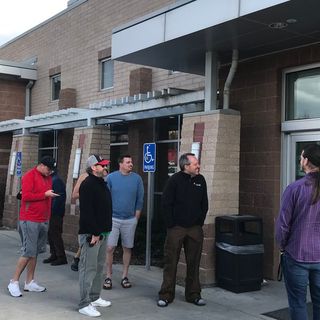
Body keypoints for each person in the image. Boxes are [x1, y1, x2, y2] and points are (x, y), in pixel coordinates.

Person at [157, 153, 208, 307]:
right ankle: (166, 295)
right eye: (195, 164)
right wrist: (171, 224)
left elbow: (204, 204)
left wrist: (199, 222)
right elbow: (166, 203)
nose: (198, 166)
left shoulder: (201, 180)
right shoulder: (174, 181)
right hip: (176, 228)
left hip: (195, 229)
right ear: (186, 166)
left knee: (194, 262)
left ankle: (193, 294)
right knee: (171, 262)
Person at [276, 144, 320, 320]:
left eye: (301, 157)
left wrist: (282, 246)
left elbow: (282, 225)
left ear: (306, 161)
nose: (300, 160)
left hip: (296, 254)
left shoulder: (294, 188)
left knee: (298, 303)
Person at [7, 156, 59, 297]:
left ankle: (29, 282)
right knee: (28, 251)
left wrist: (47, 197)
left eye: (52, 170)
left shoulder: (47, 178)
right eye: (48, 169)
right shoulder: (29, 176)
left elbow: (43, 195)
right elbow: (26, 196)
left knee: (34, 251)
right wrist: (45, 194)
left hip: (42, 219)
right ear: (41, 165)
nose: (50, 172)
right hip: (29, 219)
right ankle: (13, 282)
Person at [78, 154, 112, 317]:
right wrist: (95, 233)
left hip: (103, 232)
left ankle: (94, 296)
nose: (105, 168)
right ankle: (84, 303)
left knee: (99, 268)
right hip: (91, 234)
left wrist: (103, 231)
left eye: (105, 165)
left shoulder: (101, 183)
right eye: (102, 165)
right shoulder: (88, 184)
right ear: (93, 167)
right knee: (88, 269)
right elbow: (87, 212)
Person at [103, 155, 144, 290]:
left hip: (129, 219)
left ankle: (124, 276)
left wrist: (136, 217)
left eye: (131, 162)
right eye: (127, 162)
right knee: (110, 248)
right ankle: (108, 276)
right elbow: (105, 197)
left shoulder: (137, 179)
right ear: (120, 164)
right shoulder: (111, 178)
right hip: (113, 218)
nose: (130, 164)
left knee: (127, 247)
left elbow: (140, 198)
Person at [43, 169, 67, 265]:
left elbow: (59, 198)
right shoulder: (52, 179)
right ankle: (54, 254)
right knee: (51, 234)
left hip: (55, 213)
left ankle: (61, 257)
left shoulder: (56, 180)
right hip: (52, 212)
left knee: (55, 234)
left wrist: (52, 211)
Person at [70, 171, 89, 272]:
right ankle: (79, 260)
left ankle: (77, 257)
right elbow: (74, 195)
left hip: (100, 212)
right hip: (87, 211)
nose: (104, 168)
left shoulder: (104, 177)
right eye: (101, 165)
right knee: (86, 236)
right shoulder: (84, 177)